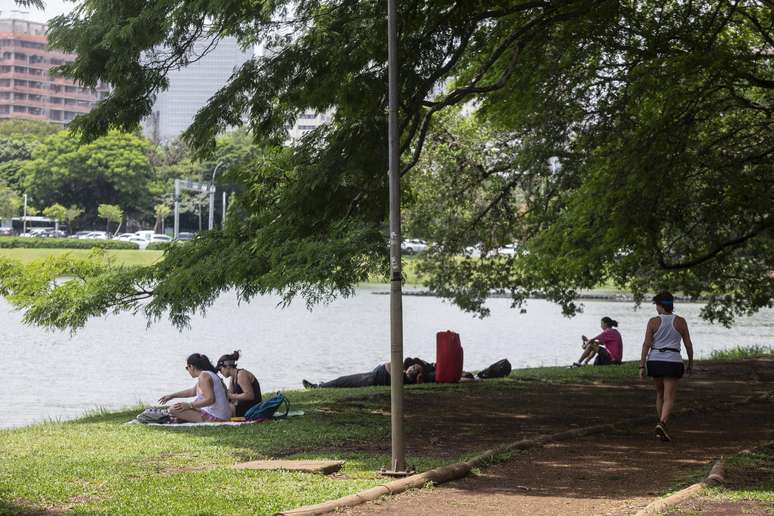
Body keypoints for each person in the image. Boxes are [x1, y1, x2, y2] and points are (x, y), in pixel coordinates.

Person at [640, 292, 694, 442]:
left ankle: (661, 424)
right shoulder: (681, 321)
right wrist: (690, 362)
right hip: (673, 361)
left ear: (660, 306)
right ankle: (662, 423)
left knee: (660, 394)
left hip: (655, 360)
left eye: (656, 305)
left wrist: (641, 365)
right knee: (669, 396)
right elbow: (688, 344)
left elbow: (646, 344)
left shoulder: (653, 322)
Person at [158, 353, 231, 422]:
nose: (188, 370)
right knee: (180, 407)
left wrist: (189, 405)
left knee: (173, 409)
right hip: (220, 415)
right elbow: (192, 391)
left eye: (187, 368)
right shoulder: (207, 374)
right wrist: (172, 396)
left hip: (217, 418)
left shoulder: (204, 376)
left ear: (191, 367)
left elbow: (211, 400)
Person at [302, 363, 424, 389]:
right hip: (371, 376)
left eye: (414, 369)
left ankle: (318, 387)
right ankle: (325, 385)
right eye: (412, 366)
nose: (411, 369)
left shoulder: (404, 378)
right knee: (343, 380)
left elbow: (389, 364)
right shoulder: (402, 375)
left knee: (343, 380)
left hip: (370, 379)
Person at [216, 350, 262, 418]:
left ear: (227, 366)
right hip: (244, 405)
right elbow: (229, 394)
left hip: (252, 408)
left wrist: (232, 396)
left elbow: (250, 395)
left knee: (226, 408)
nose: (220, 372)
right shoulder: (233, 377)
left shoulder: (241, 375)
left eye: (220, 369)